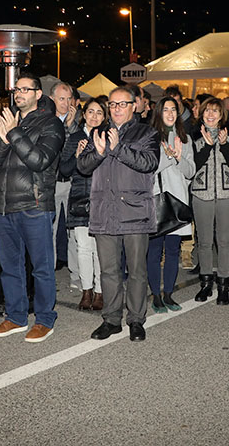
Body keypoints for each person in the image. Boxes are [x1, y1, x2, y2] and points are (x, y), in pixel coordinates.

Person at [0, 74, 65, 343]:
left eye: (25, 89)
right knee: (9, 267)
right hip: (4, 206)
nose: (18, 93)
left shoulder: (51, 123)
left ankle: (44, 319)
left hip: (34, 205)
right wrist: (4, 138)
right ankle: (16, 316)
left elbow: (39, 160)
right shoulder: (11, 121)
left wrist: (14, 133)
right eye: (16, 89)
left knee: (41, 267)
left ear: (38, 94)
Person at [78, 86, 159, 342]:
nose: (116, 109)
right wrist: (100, 151)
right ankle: (111, 319)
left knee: (136, 271)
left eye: (122, 104)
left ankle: (136, 319)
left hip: (135, 211)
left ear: (134, 106)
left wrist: (117, 148)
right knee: (109, 271)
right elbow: (83, 166)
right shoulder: (98, 132)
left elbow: (149, 163)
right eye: (112, 104)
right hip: (104, 211)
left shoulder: (147, 132)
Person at [190, 97, 229, 305]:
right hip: (201, 193)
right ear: (202, 114)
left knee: (224, 240)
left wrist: (224, 144)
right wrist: (206, 146)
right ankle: (205, 283)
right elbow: (192, 166)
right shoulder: (192, 135)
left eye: (215, 111)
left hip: (227, 193)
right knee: (203, 241)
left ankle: (223, 285)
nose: (210, 115)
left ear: (222, 115)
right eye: (207, 111)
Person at [147, 96, 195, 312]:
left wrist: (178, 157)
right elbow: (148, 169)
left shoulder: (185, 139)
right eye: (165, 109)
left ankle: (168, 293)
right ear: (158, 112)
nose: (170, 113)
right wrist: (167, 157)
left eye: (173, 109)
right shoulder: (150, 138)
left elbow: (190, 171)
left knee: (173, 251)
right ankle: (156, 295)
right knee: (155, 251)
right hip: (156, 200)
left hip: (177, 201)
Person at [59, 98, 107, 310]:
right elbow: (64, 169)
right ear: (84, 114)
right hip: (79, 196)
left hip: (102, 197)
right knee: (83, 247)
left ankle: (100, 292)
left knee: (100, 248)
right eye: (91, 112)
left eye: (99, 112)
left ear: (104, 117)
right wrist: (76, 157)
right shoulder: (75, 137)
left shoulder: (108, 137)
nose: (94, 116)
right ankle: (86, 290)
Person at [51, 81, 79, 281]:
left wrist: (71, 124)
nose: (66, 103)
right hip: (52, 184)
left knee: (74, 231)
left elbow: (76, 147)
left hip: (72, 182)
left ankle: (77, 275)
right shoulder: (47, 121)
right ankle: (49, 274)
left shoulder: (75, 122)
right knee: (50, 231)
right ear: (52, 99)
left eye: (69, 99)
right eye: (62, 99)